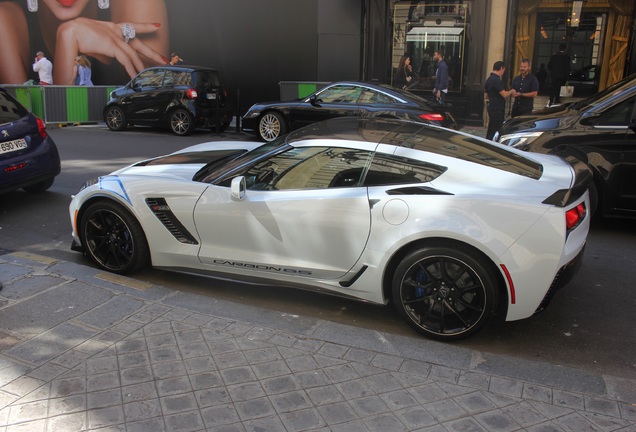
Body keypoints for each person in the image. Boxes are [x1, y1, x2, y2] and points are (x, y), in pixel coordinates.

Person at [0, 0, 169, 86]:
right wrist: (69, 38)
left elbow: (158, 115)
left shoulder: (136, 3)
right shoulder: (5, 20)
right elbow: (30, 134)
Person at [484, 61, 514, 140]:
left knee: (491, 126)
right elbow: (504, 94)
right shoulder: (496, 80)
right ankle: (494, 143)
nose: (503, 73)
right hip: (497, 108)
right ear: (501, 68)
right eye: (503, 70)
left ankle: (488, 141)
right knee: (497, 127)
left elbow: (486, 96)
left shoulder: (488, 80)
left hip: (491, 106)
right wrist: (512, 91)